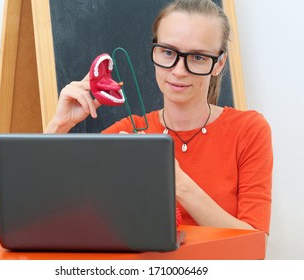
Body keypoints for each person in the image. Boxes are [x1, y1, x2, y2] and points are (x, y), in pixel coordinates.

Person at [45, 0, 273, 237]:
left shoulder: (248, 130)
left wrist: (178, 183)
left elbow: (255, 245)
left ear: (219, 63)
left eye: (197, 57)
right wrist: (60, 125)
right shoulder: (127, 135)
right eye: (168, 52)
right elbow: (49, 207)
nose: (178, 71)